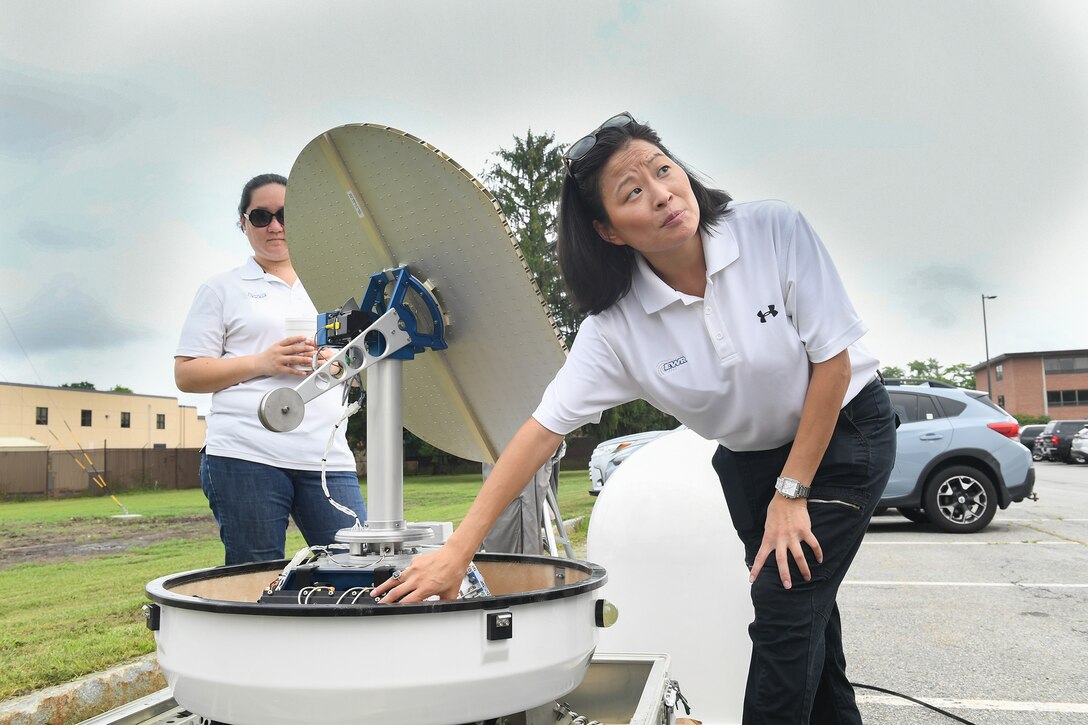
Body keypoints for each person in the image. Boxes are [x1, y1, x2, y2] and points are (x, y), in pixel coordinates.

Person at [372, 114, 896, 724]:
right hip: (750, 463)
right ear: (609, 230)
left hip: (841, 433)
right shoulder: (615, 328)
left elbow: (832, 363)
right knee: (809, 623)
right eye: (633, 192)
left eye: (663, 170)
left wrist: (793, 489)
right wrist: (459, 551)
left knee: (784, 609)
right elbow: (540, 432)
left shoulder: (772, 229)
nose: (663, 194)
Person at [175, 173, 367, 566]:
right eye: (261, 217)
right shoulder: (222, 289)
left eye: (284, 215)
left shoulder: (333, 286)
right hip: (246, 454)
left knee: (359, 567)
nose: (275, 226)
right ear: (243, 223)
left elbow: (364, 364)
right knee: (257, 574)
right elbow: (187, 374)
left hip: (327, 457)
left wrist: (340, 362)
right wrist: (262, 362)